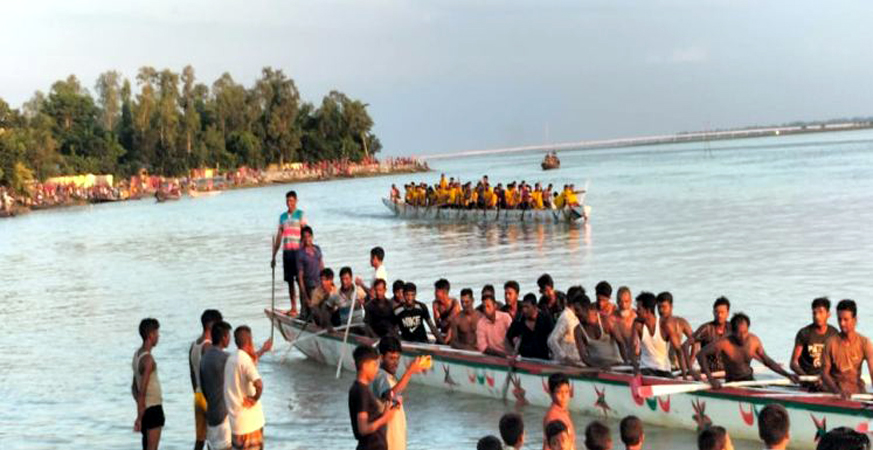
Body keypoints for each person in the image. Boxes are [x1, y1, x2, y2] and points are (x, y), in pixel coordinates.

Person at [697, 313, 799, 389]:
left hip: (749, 380)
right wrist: (711, 379)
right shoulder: (724, 343)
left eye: (745, 332)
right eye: (739, 333)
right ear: (732, 331)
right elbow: (701, 355)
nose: (742, 337)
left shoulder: (754, 341)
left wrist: (788, 375)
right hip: (732, 383)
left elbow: (768, 361)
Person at [371, 337, 428, 450]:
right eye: (391, 358)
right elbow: (390, 395)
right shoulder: (380, 375)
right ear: (381, 358)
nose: (395, 363)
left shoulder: (390, 377)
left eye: (397, 358)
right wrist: (409, 372)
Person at [224, 326, 272, 450]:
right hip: (250, 425)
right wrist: (255, 398)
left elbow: (250, 362)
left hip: (236, 427)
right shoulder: (245, 361)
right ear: (250, 340)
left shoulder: (232, 358)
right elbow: (259, 384)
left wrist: (263, 350)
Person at [349, 345, 399, 450]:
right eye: (375, 365)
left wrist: (385, 413)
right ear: (365, 365)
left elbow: (369, 420)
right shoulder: (361, 391)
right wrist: (385, 418)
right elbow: (363, 429)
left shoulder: (361, 389)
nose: (377, 369)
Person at [822, 299, 873, 399]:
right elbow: (824, 374)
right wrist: (838, 392)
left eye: (846, 319)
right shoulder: (830, 343)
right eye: (839, 319)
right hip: (836, 392)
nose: (842, 323)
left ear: (855, 320)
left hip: (857, 391)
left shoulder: (865, 343)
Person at [631, 292, 687, 378]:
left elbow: (679, 351)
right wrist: (636, 370)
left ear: (647, 311)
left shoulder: (665, 325)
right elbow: (634, 349)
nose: (636, 312)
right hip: (645, 369)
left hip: (664, 370)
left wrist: (684, 376)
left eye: (639, 309)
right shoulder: (638, 325)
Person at [190, 309, 223, 450]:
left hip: (197, 395)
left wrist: (197, 392)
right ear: (213, 325)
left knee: (200, 439)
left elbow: (192, 373)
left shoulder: (194, 345)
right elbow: (211, 375)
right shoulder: (208, 346)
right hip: (209, 397)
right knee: (214, 441)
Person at [791, 297, 839, 390]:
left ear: (828, 314)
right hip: (808, 379)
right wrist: (806, 378)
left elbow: (836, 361)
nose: (817, 316)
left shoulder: (834, 333)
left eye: (821, 313)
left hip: (826, 379)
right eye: (814, 313)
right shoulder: (804, 333)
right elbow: (793, 363)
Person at [271, 190, 307, 317]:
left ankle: (304, 308)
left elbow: (305, 233)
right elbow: (279, 236)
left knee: (300, 280)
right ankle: (293, 308)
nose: (289, 203)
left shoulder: (300, 215)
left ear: (296, 201)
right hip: (287, 252)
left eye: (291, 201)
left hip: (298, 252)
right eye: (287, 201)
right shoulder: (282, 217)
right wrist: (273, 255)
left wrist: (305, 250)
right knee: (290, 282)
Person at [201, 321, 232, 450]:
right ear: (224, 337)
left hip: (211, 415)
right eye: (229, 335)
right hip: (223, 415)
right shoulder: (226, 358)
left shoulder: (204, 359)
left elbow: (203, 389)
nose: (230, 338)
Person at [132, 318, 163, 450]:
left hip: (146, 410)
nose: (158, 336)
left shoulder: (137, 355)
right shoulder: (148, 360)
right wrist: (139, 416)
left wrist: (140, 410)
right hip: (153, 409)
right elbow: (142, 390)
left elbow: (134, 387)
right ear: (150, 335)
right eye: (157, 333)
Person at [574, 301, 628, 367]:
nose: (576, 314)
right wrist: (599, 366)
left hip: (616, 364)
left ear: (590, 311)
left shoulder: (607, 322)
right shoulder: (578, 330)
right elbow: (584, 357)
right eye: (575, 311)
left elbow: (621, 343)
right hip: (596, 367)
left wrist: (626, 364)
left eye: (578, 310)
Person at [688, 297, 731, 374]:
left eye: (722, 312)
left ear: (727, 313)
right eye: (716, 312)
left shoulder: (732, 329)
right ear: (713, 312)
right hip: (710, 373)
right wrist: (689, 368)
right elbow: (685, 346)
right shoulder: (706, 329)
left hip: (728, 372)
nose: (719, 315)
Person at [507, 293, 554, 360]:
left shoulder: (545, 319)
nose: (524, 310)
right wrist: (515, 340)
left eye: (527, 307)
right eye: (523, 307)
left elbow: (552, 334)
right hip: (526, 357)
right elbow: (510, 334)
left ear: (535, 307)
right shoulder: (519, 320)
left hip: (543, 356)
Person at [656, 292, 694, 375]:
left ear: (671, 307)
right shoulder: (655, 324)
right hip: (662, 367)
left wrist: (690, 363)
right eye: (658, 307)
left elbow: (696, 342)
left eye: (664, 307)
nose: (661, 310)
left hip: (678, 367)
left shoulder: (680, 322)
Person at [548, 291, 583, 365]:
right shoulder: (566, 317)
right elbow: (551, 340)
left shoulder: (575, 316)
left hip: (575, 362)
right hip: (564, 364)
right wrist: (564, 357)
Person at [296, 226, 324, 314]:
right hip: (308, 287)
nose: (307, 239)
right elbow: (300, 277)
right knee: (306, 313)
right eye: (304, 237)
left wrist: (327, 283)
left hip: (318, 285)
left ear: (312, 237)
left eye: (309, 236)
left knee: (320, 310)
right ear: (302, 239)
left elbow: (321, 266)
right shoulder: (300, 254)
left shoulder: (317, 249)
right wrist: (305, 296)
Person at [542, 373, 574, 450]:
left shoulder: (563, 412)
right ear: (551, 393)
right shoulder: (553, 417)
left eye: (566, 392)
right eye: (559, 392)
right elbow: (549, 445)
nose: (564, 397)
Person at [612, 287, 636, 351]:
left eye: (626, 301)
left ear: (631, 301)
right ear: (617, 301)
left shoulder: (637, 316)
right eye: (620, 301)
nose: (623, 305)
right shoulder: (612, 318)